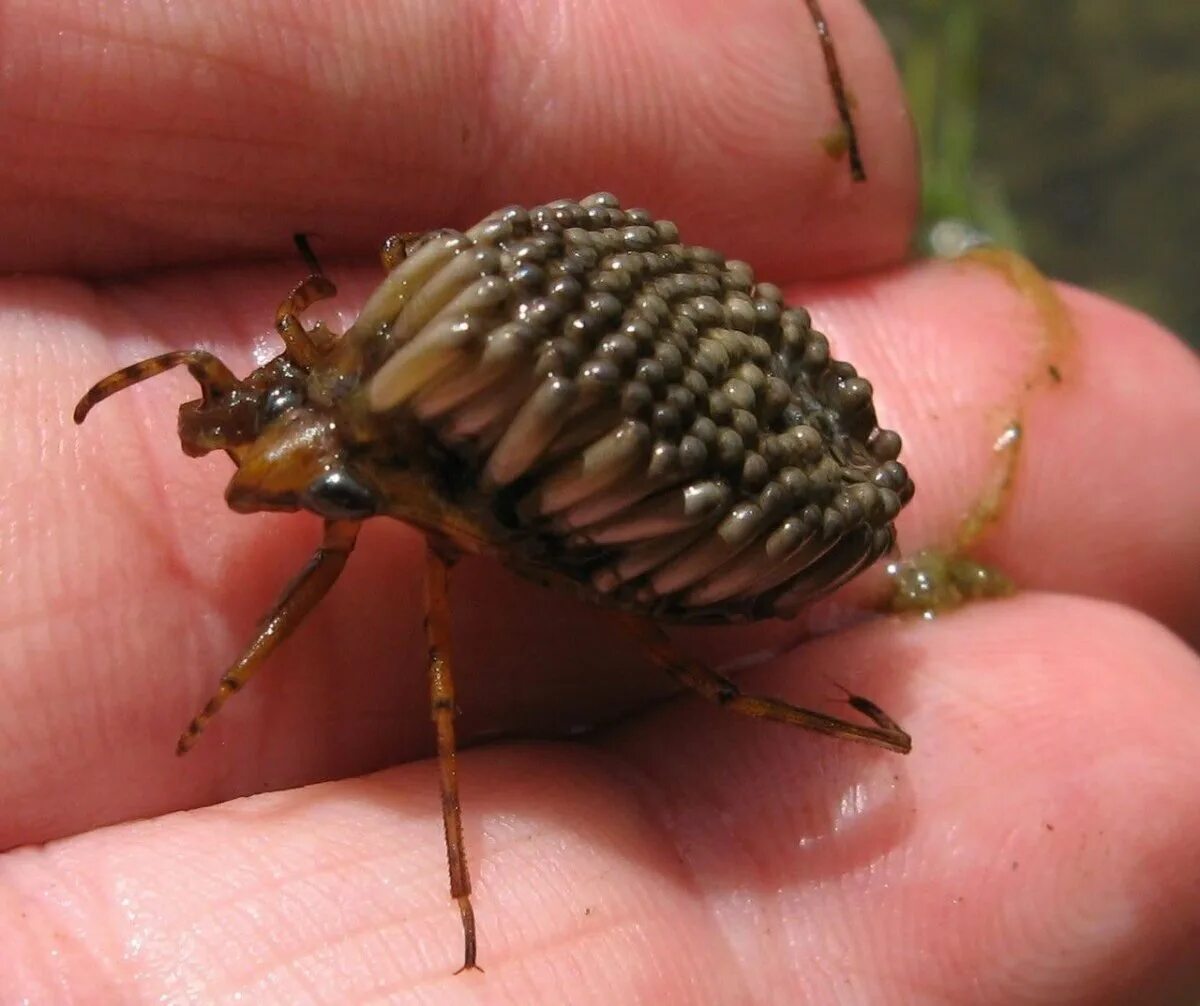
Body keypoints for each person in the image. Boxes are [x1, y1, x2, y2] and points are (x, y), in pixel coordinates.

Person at [1, 2, 1197, 1001]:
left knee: (480, 637)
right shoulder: (418, 359)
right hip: (645, 424)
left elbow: (456, 668)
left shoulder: (463, 380)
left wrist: (237, 699)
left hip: (728, 485)